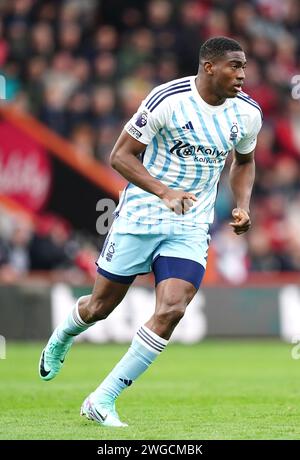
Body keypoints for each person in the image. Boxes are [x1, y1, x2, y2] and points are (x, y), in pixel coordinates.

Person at [39, 36, 262, 427]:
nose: (242, 75)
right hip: (141, 215)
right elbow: (119, 156)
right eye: (235, 66)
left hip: (191, 223)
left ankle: (102, 399)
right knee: (99, 308)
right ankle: (63, 336)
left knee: (173, 308)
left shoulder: (247, 114)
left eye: (244, 67)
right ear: (209, 67)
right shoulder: (168, 99)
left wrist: (242, 204)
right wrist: (163, 191)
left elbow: (244, 162)